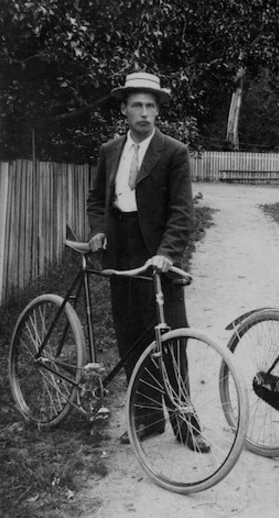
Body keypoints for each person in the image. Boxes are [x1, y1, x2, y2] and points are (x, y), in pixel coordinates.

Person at [86, 72, 209, 452]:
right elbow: (96, 200)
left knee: (170, 336)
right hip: (120, 250)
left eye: (150, 106)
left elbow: (181, 211)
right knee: (132, 337)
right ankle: (148, 418)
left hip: (157, 255)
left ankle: (186, 424)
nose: (144, 113)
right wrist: (99, 230)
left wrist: (168, 254)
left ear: (158, 110)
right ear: (123, 109)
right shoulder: (110, 151)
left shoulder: (174, 152)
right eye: (136, 105)